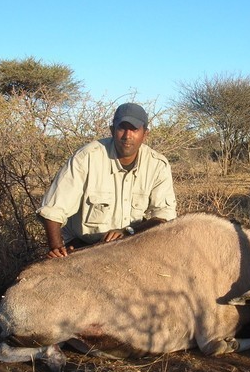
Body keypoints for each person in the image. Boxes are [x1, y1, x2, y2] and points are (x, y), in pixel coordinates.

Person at [37, 102, 177, 258]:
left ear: (145, 134)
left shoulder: (158, 165)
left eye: (134, 129)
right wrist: (57, 248)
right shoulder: (87, 157)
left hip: (133, 242)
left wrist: (128, 232)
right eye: (121, 128)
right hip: (85, 247)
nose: (127, 136)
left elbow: (164, 217)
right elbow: (52, 210)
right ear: (112, 130)